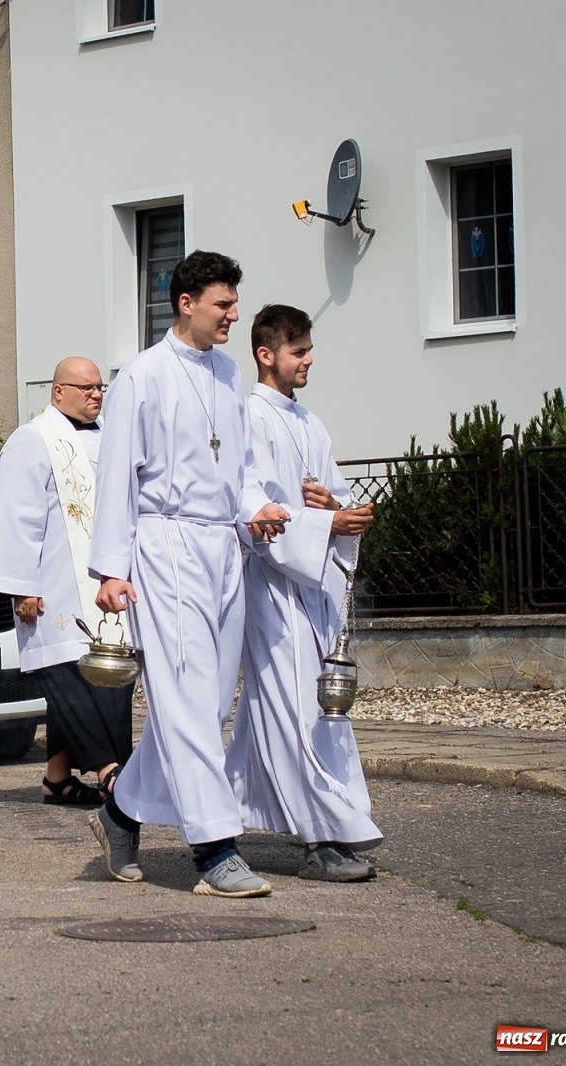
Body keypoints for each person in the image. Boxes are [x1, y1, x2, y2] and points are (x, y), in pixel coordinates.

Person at [85, 250, 289, 898]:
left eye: (234, 303)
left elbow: (243, 465)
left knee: (202, 706)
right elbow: (115, 475)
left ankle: (119, 813)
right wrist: (110, 570)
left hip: (225, 547)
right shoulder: (141, 378)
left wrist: (258, 507)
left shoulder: (229, 375)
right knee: (181, 700)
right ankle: (214, 851)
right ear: (185, 303)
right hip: (164, 546)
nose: (234, 315)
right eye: (224, 304)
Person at [224, 304, 382, 881]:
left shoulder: (311, 423)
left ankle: (223, 812)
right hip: (272, 591)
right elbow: (254, 508)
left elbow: (330, 497)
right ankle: (321, 838)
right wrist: (323, 526)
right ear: (266, 354)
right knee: (292, 709)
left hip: (311, 593)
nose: (308, 359)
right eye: (299, 351)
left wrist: (340, 513)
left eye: (309, 349)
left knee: (292, 713)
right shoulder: (250, 418)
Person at [0, 356, 135, 805]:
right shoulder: (32, 440)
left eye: (99, 388)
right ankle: (111, 770)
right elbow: (14, 517)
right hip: (53, 589)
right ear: (58, 392)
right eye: (85, 387)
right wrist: (21, 586)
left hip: (101, 587)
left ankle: (56, 777)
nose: (95, 394)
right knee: (72, 683)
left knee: (109, 677)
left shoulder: (110, 439)